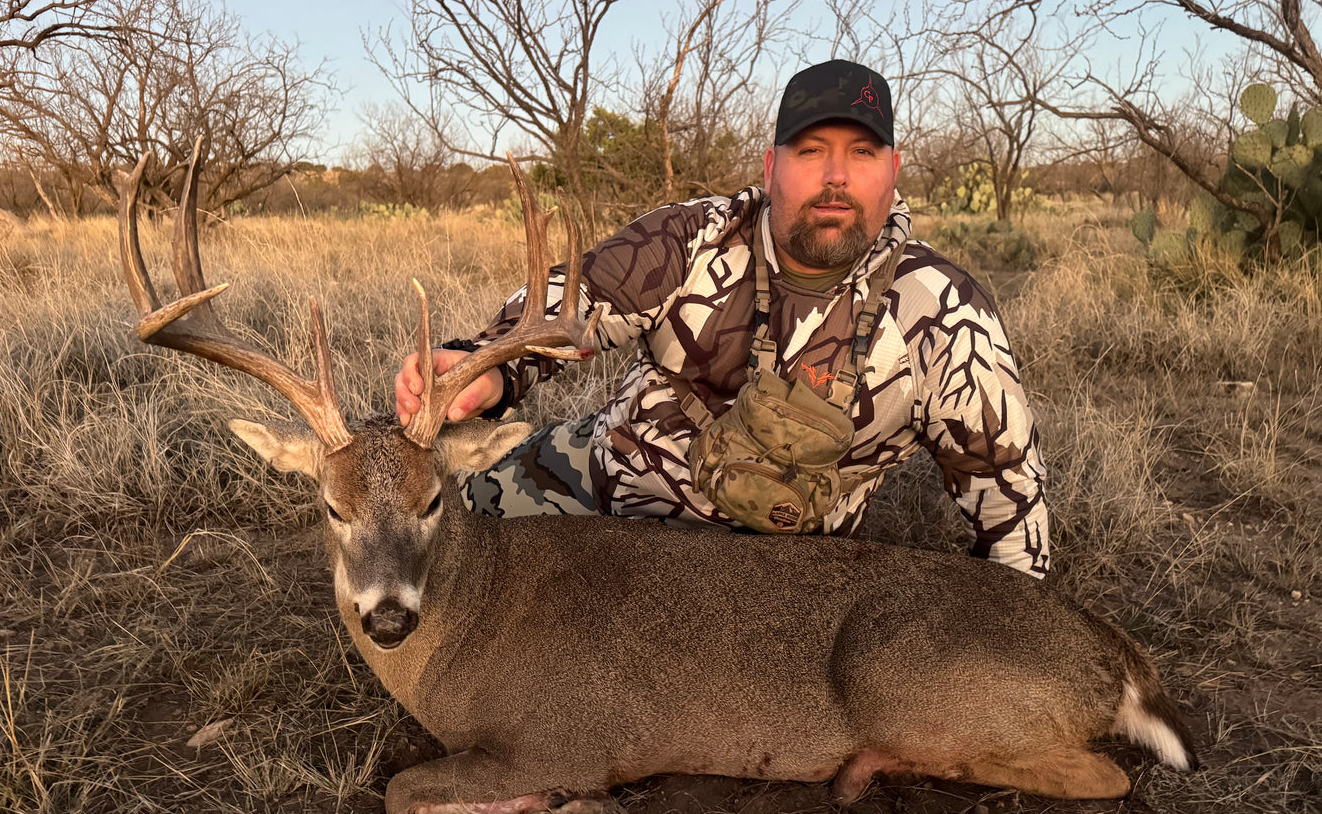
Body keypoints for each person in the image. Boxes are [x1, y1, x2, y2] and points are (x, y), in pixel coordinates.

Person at [395, 59, 1049, 578]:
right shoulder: (694, 238)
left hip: (783, 573)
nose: (835, 176)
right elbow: (573, 305)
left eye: (862, 154)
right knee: (449, 524)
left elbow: (1007, 490)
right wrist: (488, 369)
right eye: (810, 150)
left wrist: (1009, 641)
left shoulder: (943, 311)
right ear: (770, 167)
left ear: (894, 172)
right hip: (612, 496)